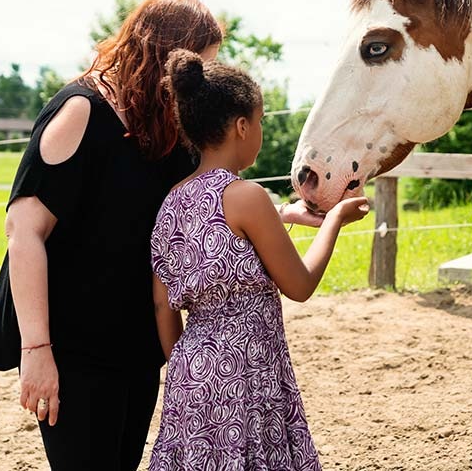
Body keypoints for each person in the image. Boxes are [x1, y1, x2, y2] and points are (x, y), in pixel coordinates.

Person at [0, 0, 320, 470]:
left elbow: (203, 211)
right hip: (74, 347)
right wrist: (36, 351)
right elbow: (23, 232)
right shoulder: (80, 111)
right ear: (162, 53)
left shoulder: (161, 124)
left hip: (138, 343)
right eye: (197, 62)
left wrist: (285, 215)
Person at [148, 50, 369, 470]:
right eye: (262, 121)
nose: (262, 130)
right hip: (249, 371)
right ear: (241, 126)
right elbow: (300, 286)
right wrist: (336, 218)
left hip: (190, 373)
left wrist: (188, 368)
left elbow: (163, 303)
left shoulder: (171, 200)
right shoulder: (247, 197)